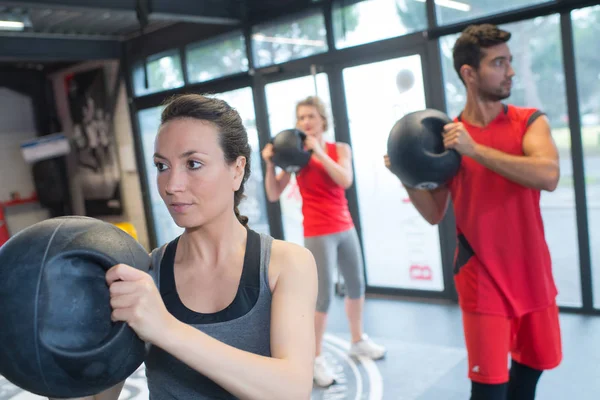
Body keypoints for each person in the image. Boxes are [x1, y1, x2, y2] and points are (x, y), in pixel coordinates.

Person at [54, 93, 318, 400]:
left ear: (236, 169)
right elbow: (98, 396)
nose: (171, 185)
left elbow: (292, 390)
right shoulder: (144, 272)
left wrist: (165, 328)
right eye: (162, 166)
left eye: (193, 164)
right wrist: (48, 337)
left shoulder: (287, 264)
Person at [386, 24, 562, 400]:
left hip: (532, 272)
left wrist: (476, 150)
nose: (510, 71)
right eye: (498, 63)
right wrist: (406, 176)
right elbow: (435, 213)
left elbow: (548, 175)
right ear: (469, 73)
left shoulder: (529, 121)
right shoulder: (447, 137)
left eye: (509, 62)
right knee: (488, 391)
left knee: (530, 373)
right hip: (481, 276)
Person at [262, 96, 386, 388]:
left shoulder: (338, 149)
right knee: (323, 298)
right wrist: (270, 164)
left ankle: (358, 340)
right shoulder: (296, 156)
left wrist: (318, 150)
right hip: (318, 232)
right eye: (301, 117)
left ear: (322, 121)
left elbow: (345, 180)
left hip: (345, 227)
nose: (306, 122)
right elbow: (272, 193)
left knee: (356, 286)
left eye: (311, 117)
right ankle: (315, 357)